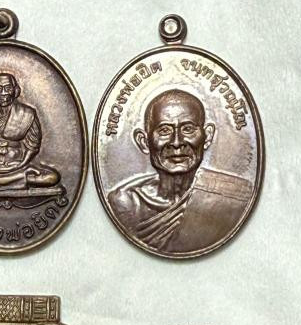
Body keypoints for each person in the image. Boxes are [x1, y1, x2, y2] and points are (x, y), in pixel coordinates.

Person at [107, 89, 252, 254]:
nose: (176, 143)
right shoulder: (127, 203)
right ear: (144, 141)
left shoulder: (234, 197)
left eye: (188, 129)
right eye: (164, 130)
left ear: (207, 136)